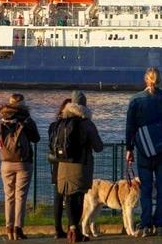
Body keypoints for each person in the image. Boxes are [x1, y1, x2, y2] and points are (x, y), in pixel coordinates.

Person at [125, 67, 162, 237]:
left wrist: (129, 148)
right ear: (160, 80)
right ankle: (160, 225)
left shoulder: (136, 100)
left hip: (144, 151)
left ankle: (146, 225)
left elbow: (130, 127)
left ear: (145, 79)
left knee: (146, 189)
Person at [57, 91, 104, 242]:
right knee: (78, 198)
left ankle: (71, 229)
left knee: (69, 198)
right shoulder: (87, 123)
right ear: (84, 104)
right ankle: (75, 230)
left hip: (63, 165)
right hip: (80, 165)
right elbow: (98, 146)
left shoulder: (61, 121)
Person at [0, 93, 40, 240]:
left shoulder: (2, 118)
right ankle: (18, 228)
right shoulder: (26, 119)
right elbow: (36, 138)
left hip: (6, 162)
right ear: (23, 103)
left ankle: (8, 228)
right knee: (20, 196)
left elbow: (0, 138)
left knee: (9, 196)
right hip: (23, 161)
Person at [48, 98, 71, 239]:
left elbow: (50, 144)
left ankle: (57, 229)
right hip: (71, 164)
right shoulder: (74, 125)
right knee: (71, 197)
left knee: (58, 196)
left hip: (57, 163)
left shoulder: (53, 126)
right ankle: (72, 227)